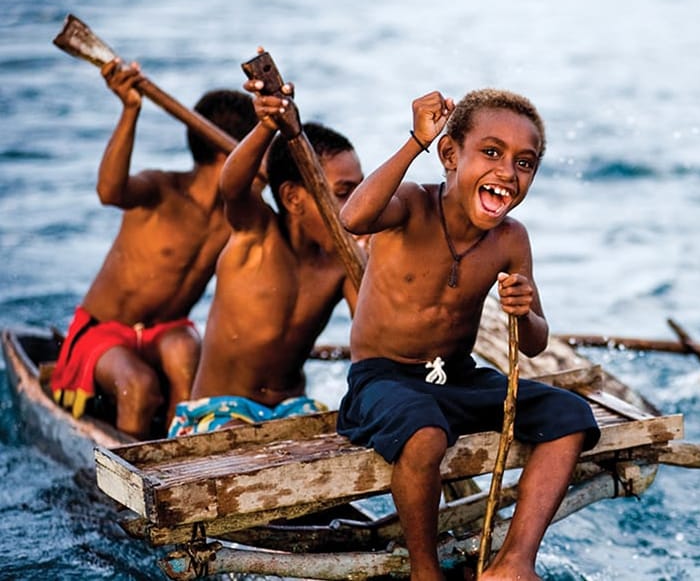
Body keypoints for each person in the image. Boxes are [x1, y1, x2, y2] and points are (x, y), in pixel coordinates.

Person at [336, 89, 600, 581]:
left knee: (571, 416)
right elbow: (353, 218)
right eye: (492, 152)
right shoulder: (411, 206)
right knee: (424, 434)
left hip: (458, 379)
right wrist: (416, 139)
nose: (507, 172)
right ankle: (425, 570)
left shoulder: (510, 238)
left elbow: (536, 341)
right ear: (451, 154)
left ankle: (514, 562)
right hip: (383, 380)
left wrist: (523, 312)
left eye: (525, 163)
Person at [51, 58, 257, 439]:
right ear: (226, 153)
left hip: (168, 331)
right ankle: (119, 491)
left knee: (186, 356)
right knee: (139, 386)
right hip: (104, 332)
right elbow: (109, 191)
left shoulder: (240, 216)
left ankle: (180, 455)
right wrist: (130, 109)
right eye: (257, 146)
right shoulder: (161, 190)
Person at [167, 80, 364, 437]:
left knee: (334, 434)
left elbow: (370, 334)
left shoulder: (343, 264)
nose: (357, 207)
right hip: (216, 411)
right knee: (231, 439)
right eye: (343, 193)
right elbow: (233, 186)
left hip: (292, 408)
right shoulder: (256, 233)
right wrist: (266, 125)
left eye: (361, 192)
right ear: (292, 199)